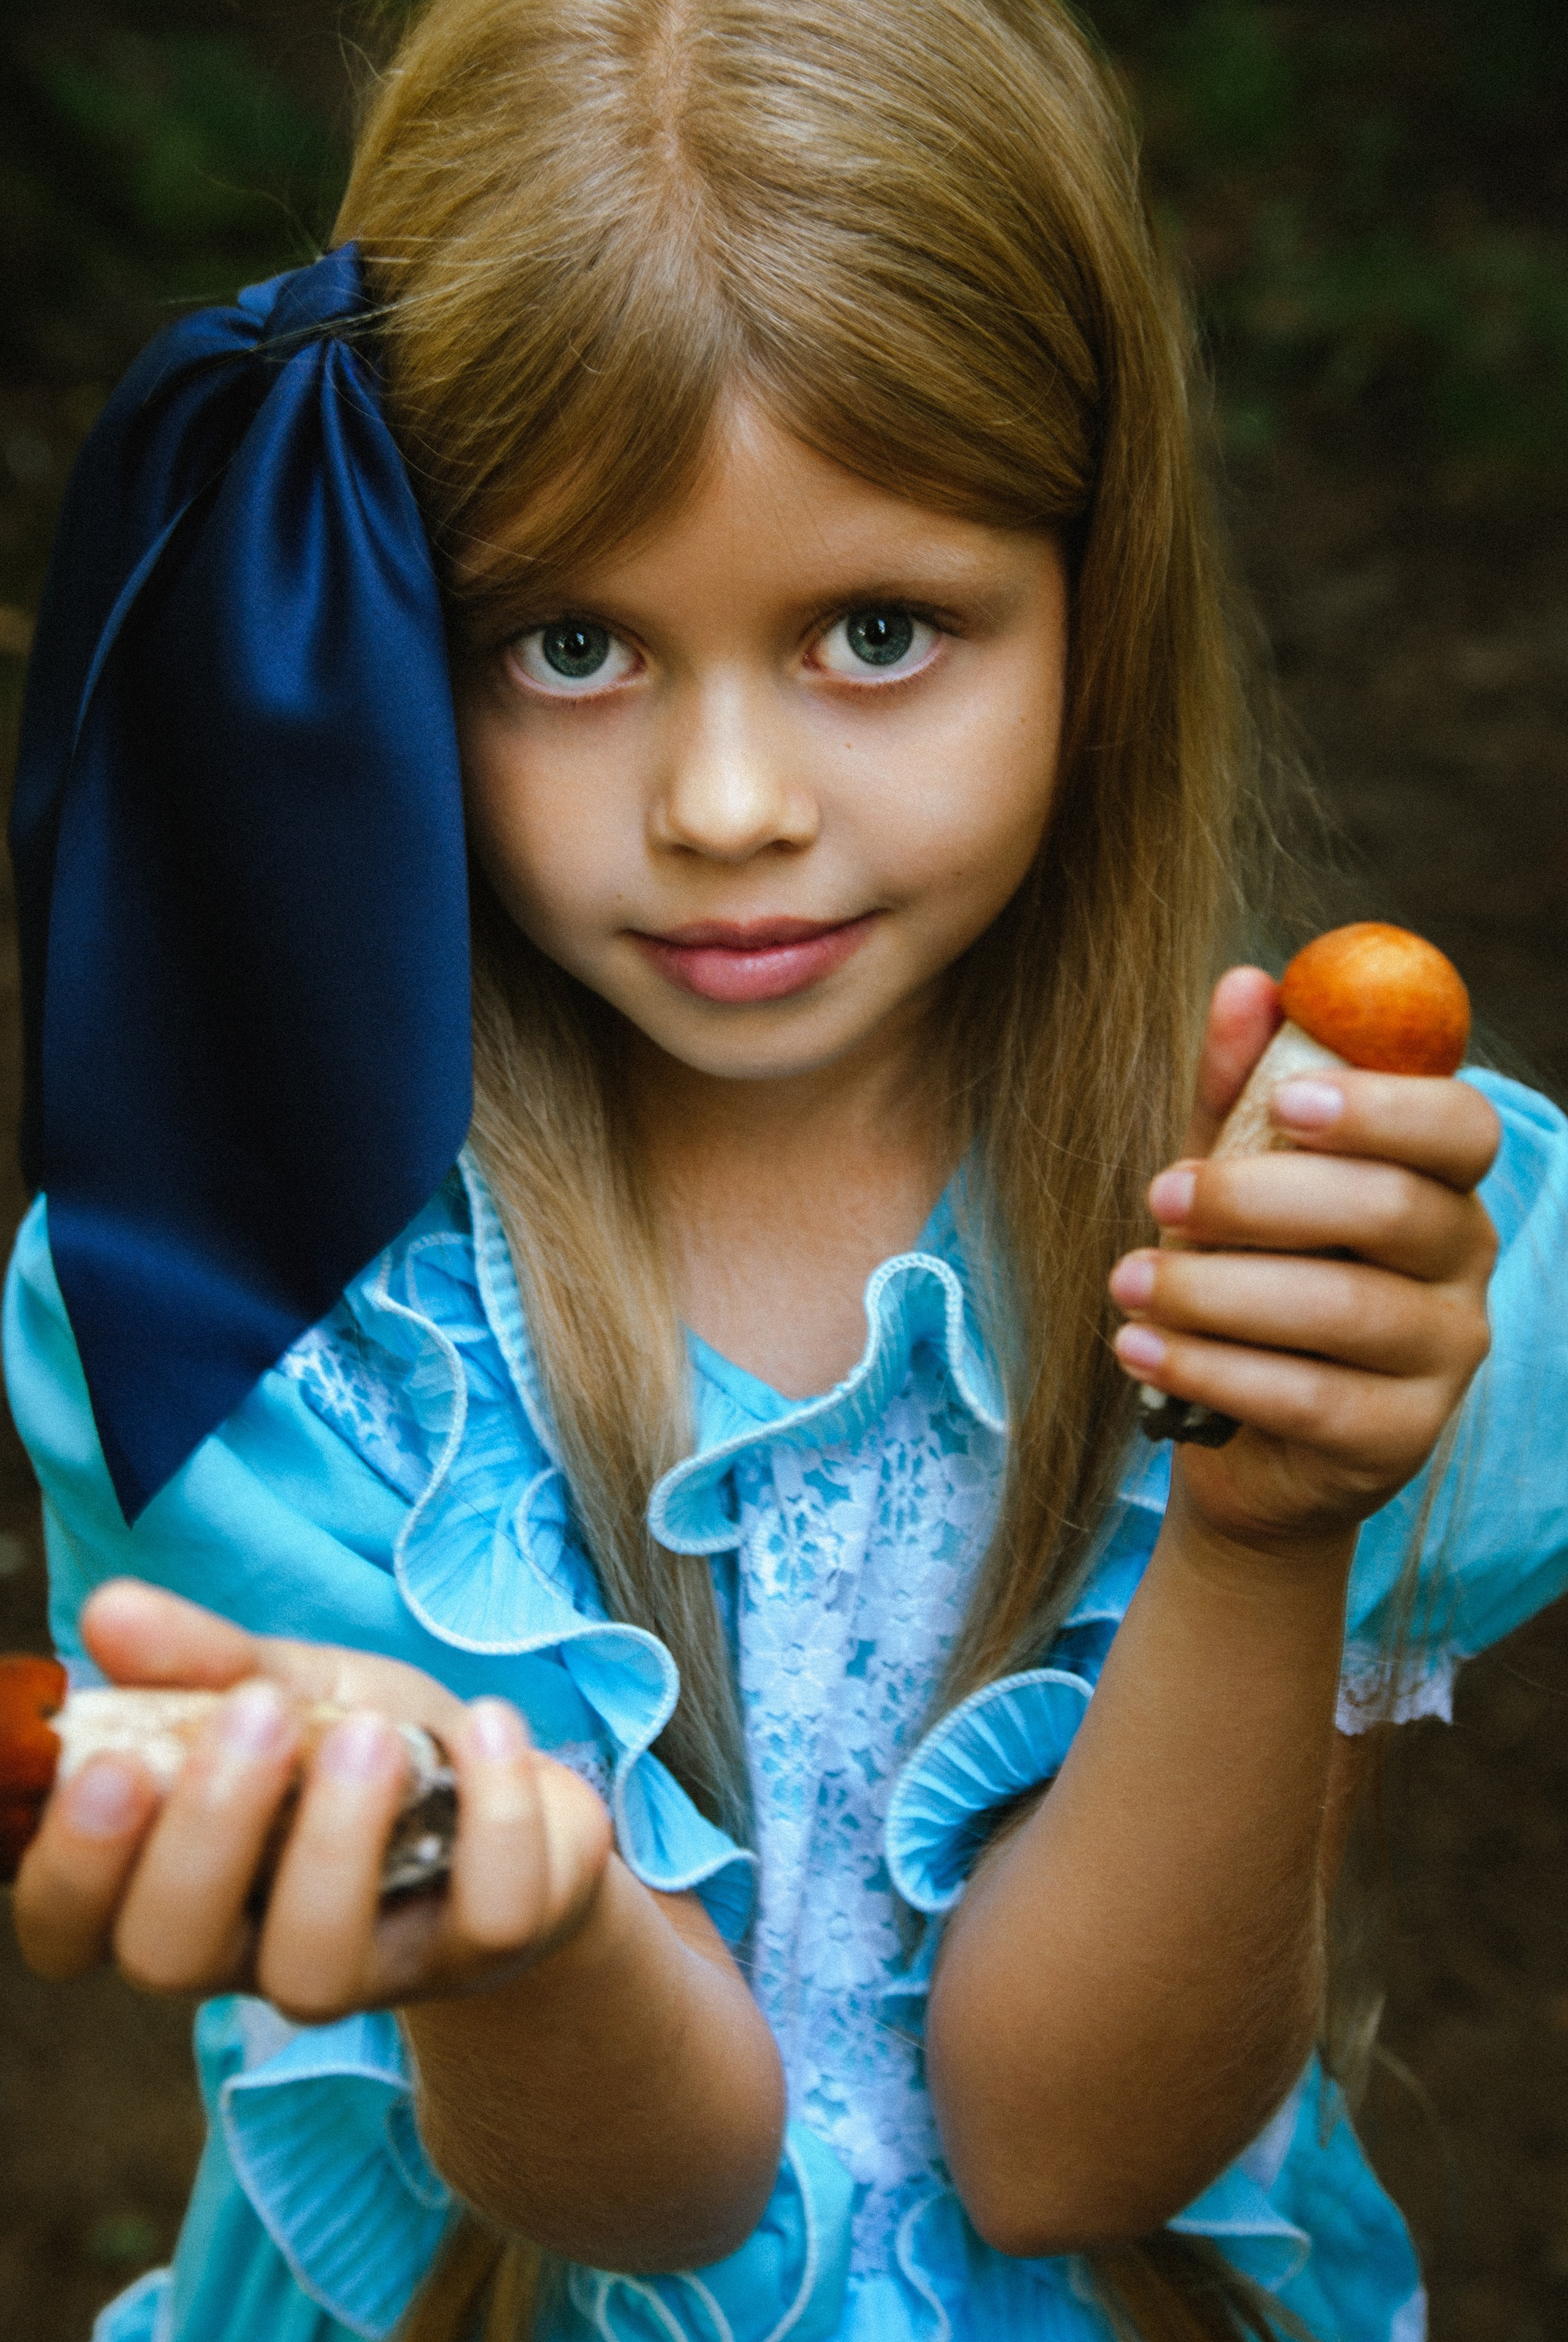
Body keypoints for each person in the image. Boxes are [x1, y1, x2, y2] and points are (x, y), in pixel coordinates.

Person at [4, 1, 1566, 2337]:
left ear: (1096, 601)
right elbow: (641, 2192)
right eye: (567, 643)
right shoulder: (243, 1307)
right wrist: (510, 1936)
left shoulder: (1335, 1249)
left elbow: (1072, 2147)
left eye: (875, 631)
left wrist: (1270, 1521)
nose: (726, 806)